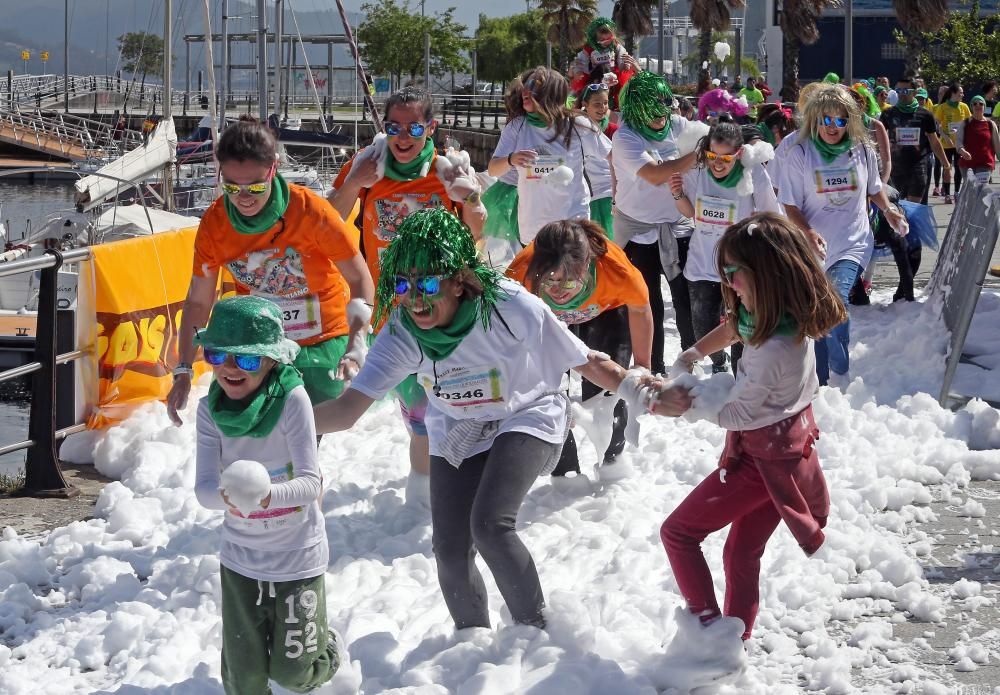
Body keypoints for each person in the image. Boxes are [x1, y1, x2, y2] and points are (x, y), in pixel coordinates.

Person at [312, 208, 689, 630]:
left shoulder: (509, 304)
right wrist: (275, 424)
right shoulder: (402, 331)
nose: (414, 297)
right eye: (403, 284)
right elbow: (347, 412)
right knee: (450, 551)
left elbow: (585, 360)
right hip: (459, 426)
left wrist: (642, 391)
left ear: (459, 279)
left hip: (527, 413)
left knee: (490, 525)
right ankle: (472, 645)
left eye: (428, 283)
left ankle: (536, 634)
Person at [657, 212, 846, 645]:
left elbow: (739, 415)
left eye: (732, 273)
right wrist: (693, 353)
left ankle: (707, 632)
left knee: (679, 533)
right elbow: (737, 327)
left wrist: (690, 401)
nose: (728, 283)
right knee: (741, 553)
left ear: (765, 273)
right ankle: (733, 643)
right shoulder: (777, 312)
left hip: (764, 459)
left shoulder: (775, 349)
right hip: (788, 449)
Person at [329, 87, 486, 507]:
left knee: (442, 410)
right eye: (393, 126)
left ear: (430, 127)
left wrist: (467, 197)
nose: (403, 136)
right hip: (390, 310)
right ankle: (423, 491)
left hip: (442, 307)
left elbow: (475, 232)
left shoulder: (445, 169)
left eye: (414, 127)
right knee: (418, 413)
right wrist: (356, 183)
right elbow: (328, 220)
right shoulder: (368, 167)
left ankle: (432, 491)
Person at [168, 117, 375, 427]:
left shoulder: (310, 210)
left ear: (273, 169)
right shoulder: (215, 223)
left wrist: (356, 341)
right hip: (259, 342)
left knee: (301, 431)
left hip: (320, 339)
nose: (244, 197)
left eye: (254, 186)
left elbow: (359, 278)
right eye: (231, 187)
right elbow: (198, 301)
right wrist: (183, 369)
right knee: (250, 429)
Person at [193, 295, 340, 694]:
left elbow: (311, 483)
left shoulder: (293, 400)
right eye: (217, 354)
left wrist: (265, 496)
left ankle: (327, 650)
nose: (229, 368)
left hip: (297, 556)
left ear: (273, 360)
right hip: (241, 558)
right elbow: (204, 487)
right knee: (244, 679)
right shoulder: (210, 410)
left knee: (294, 673)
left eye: (247, 360)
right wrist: (224, 497)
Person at [778, 84, 906, 387]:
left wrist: (888, 211)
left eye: (839, 120)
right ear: (815, 120)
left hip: (853, 241)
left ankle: (840, 369)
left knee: (835, 300)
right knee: (816, 311)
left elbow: (874, 188)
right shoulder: (799, 153)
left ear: (849, 120)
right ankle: (821, 380)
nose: (832, 127)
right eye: (826, 119)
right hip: (812, 246)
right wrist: (807, 231)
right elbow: (789, 204)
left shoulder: (861, 150)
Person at [506, 219, 652, 478]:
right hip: (548, 321)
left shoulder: (616, 270)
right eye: (549, 282)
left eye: (570, 282)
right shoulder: (520, 274)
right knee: (549, 399)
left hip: (605, 314)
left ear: (588, 264)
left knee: (612, 392)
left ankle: (613, 464)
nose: (560, 291)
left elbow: (640, 309)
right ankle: (565, 476)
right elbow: (507, 331)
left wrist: (643, 366)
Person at [670, 122, 780, 373]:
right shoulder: (696, 171)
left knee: (740, 324)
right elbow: (692, 214)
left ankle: (740, 377)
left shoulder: (754, 174)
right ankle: (719, 363)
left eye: (726, 158)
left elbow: (770, 214)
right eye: (712, 156)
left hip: (740, 266)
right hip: (702, 263)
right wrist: (678, 195)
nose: (717, 163)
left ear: (739, 154)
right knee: (703, 327)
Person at [611, 70, 698, 375]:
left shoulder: (677, 125)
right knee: (648, 304)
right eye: (653, 113)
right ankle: (655, 368)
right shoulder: (625, 137)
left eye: (665, 110)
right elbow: (655, 174)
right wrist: (696, 155)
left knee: (686, 301)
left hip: (676, 227)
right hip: (638, 232)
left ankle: (691, 363)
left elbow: (712, 137)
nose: (662, 118)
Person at [487, 66, 612, 245]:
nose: (526, 91)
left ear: (551, 93)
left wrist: (619, 197)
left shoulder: (578, 124)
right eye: (526, 86)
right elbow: (492, 170)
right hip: (533, 226)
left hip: (573, 221)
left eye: (533, 87)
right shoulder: (517, 127)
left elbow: (615, 157)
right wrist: (511, 159)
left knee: (571, 272)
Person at [880, 75, 951, 203]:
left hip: (918, 167)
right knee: (896, 208)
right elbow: (878, 140)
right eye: (899, 91)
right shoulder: (888, 114)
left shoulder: (925, 115)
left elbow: (934, 142)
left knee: (914, 209)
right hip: (896, 168)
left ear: (914, 92)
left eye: (905, 91)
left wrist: (946, 166)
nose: (901, 94)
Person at [576, 77, 617, 237]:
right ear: (585, 104)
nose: (602, 108)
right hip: (588, 196)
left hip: (608, 194)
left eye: (605, 103)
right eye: (597, 104)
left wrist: (616, 196)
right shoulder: (577, 127)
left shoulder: (614, 130)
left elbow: (618, 162)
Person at [568, 17, 639, 110]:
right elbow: (580, 61)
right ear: (595, 37)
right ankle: (583, 105)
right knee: (584, 87)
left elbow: (623, 56)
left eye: (608, 39)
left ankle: (620, 105)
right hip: (594, 75)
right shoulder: (589, 49)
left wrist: (626, 64)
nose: (605, 42)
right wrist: (577, 71)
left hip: (613, 75)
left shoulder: (616, 46)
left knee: (623, 84)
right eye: (602, 39)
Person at [934, 82, 972, 203]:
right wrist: (945, 136)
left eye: (962, 92)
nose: (962, 94)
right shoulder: (942, 107)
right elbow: (938, 126)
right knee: (947, 167)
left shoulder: (964, 107)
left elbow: (968, 122)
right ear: (953, 94)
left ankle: (956, 192)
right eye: (960, 92)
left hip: (959, 144)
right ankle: (947, 194)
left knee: (958, 167)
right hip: (946, 144)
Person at [957, 95, 1000, 185]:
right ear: (971, 107)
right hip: (967, 164)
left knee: (981, 190)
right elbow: (958, 142)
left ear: (984, 106)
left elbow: (997, 146)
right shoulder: (965, 123)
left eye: (981, 104)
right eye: (975, 104)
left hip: (985, 164)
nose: (978, 106)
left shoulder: (991, 124)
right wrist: (962, 151)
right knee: (970, 190)